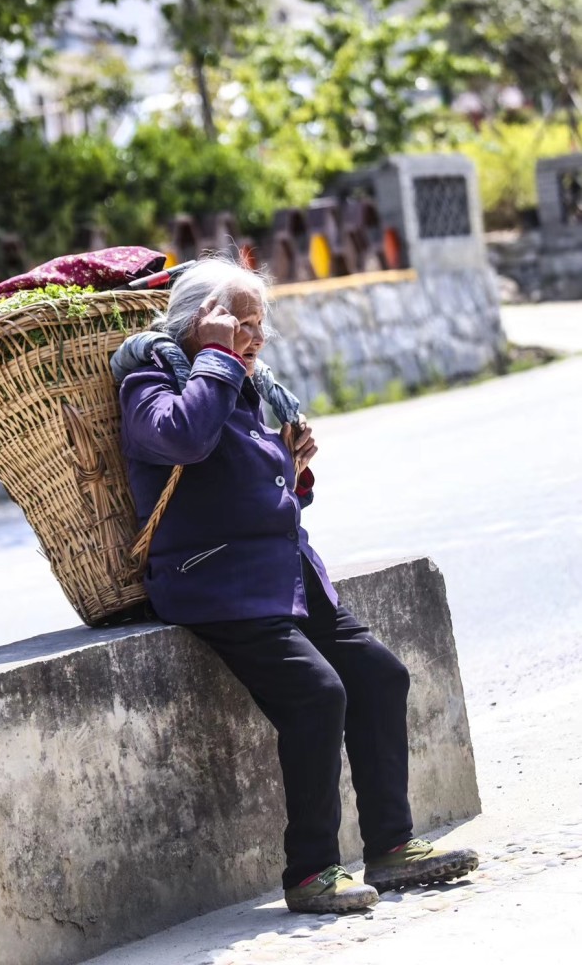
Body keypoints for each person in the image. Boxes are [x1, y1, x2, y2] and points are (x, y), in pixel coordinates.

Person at [112, 257, 478, 914]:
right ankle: (310, 872)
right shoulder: (152, 376)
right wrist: (219, 358)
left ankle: (390, 848)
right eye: (239, 323)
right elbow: (181, 442)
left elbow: (257, 494)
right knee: (315, 694)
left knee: (377, 675)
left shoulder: (246, 384)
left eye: (258, 326)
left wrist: (293, 466)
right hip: (216, 583)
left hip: (284, 578)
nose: (252, 337)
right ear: (199, 322)